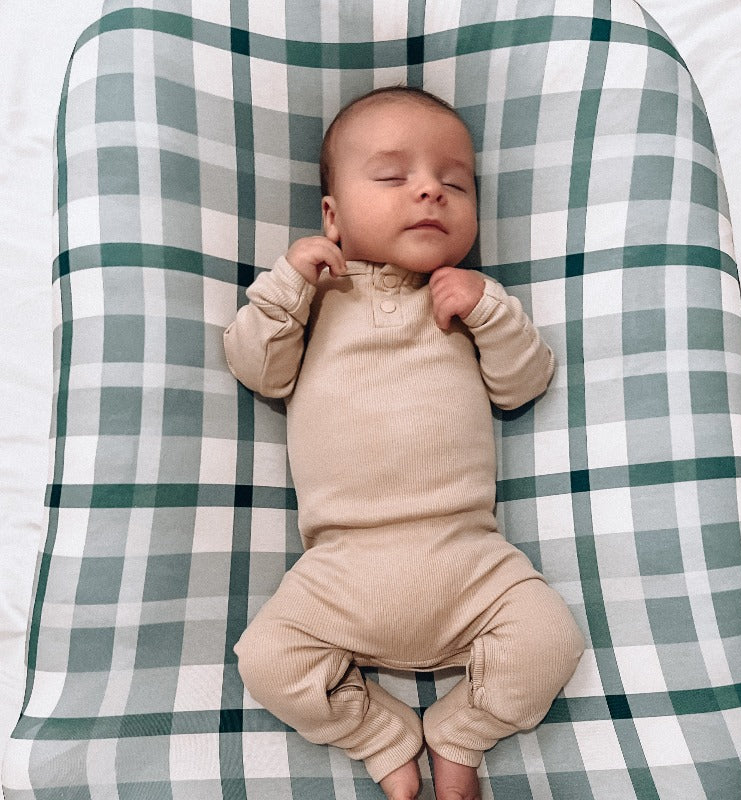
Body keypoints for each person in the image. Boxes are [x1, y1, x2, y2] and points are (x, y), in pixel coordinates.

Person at [224, 86, 584, 800]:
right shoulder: (318, 295)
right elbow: (257, 367)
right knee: (265, 662)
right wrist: (288, 285)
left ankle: (461, 733)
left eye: (454, 182)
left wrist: (486, 311)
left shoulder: (469, 295)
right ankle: (381, 738)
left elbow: (522, 383)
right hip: (340, 566)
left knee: (552, 643)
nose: (429, 189)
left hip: (468, 555)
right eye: (393, 177)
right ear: (331, 215)